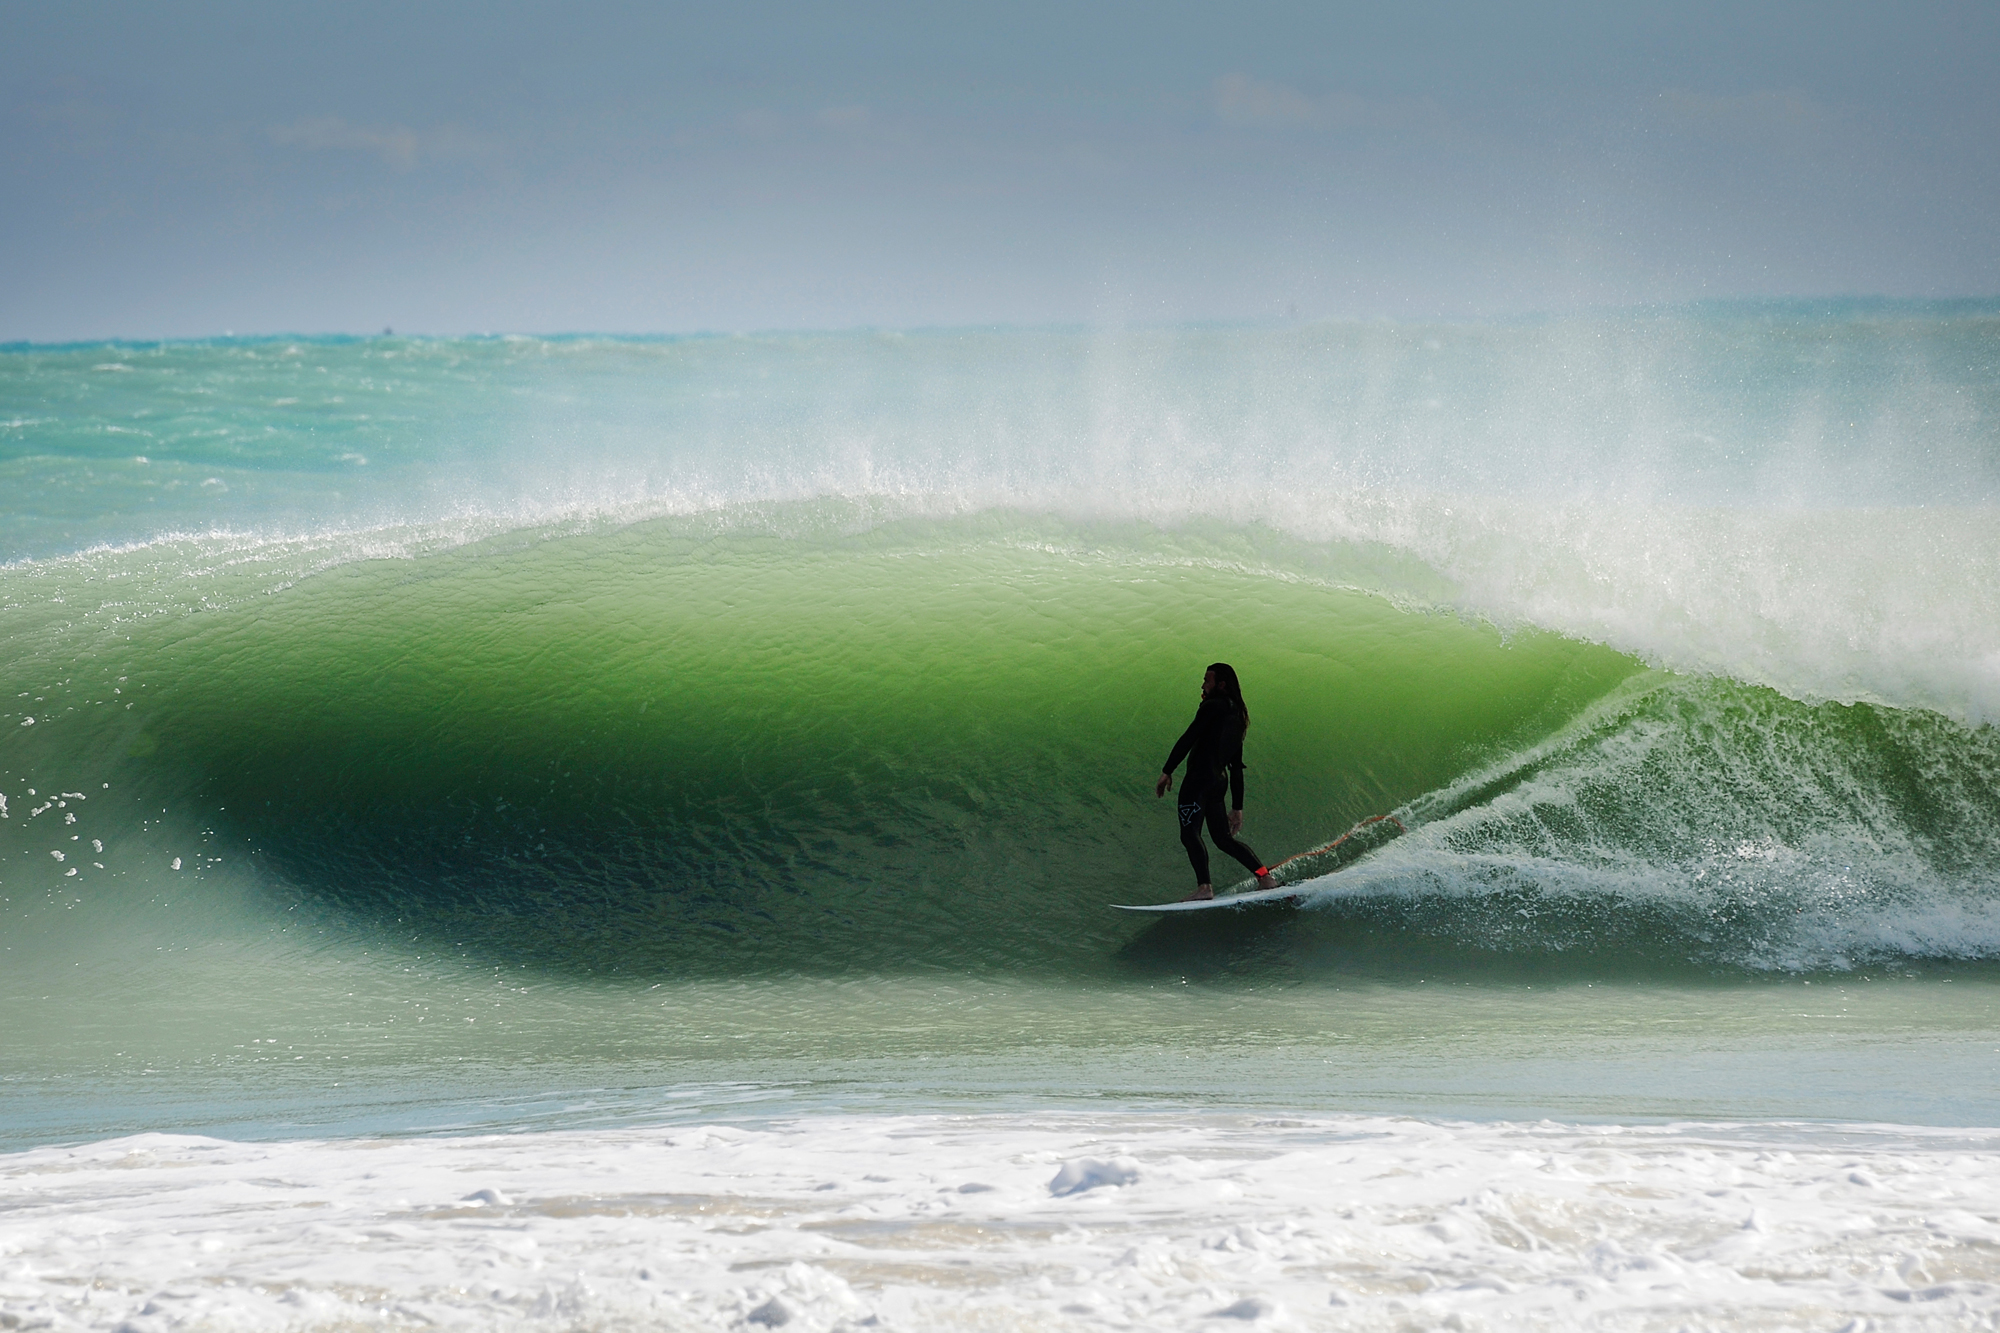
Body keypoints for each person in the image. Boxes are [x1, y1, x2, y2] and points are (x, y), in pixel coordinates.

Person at [1154, 662, 1275, 901]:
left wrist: (1167, 770)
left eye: (1206, 681)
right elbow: (1236, 766)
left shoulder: (1212, 706)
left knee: (1189, 835)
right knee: (1223, 839)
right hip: (1219, 782)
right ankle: (1265, 877)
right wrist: (1237, 807)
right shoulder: (1239, 715)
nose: (1203, 685)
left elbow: (1189, 736)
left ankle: (1204, 888)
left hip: (1198, 781)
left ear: (1220, 684)